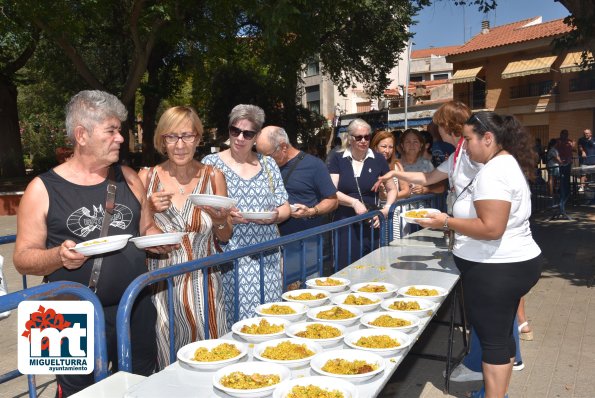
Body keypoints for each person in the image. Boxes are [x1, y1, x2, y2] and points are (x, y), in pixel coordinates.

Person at [13, 90, 173, 396]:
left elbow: (147, 228)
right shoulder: (42, 189)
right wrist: (58, 257)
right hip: (66, 314)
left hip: (133, 307)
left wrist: (159, 240)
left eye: (119, 130)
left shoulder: (128, 177)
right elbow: (22, 259)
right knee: (78, 394)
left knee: (138, 386)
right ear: (82, 135)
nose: (120, 138)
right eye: (111, 131)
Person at [374, 101, 527, 385]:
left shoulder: (479, 158)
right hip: (478, 246)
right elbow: (431, 176)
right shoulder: (461, 153)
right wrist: (396, 173)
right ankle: (496, 360)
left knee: (492, 318)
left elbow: (490, 220)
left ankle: (494, 363)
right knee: (492, 317)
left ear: (449, 126)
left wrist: (446, 221)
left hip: (490, 252)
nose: (435, 129)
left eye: (438, 124)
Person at [418, 112, 543, 398]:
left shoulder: (493, 172)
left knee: (494, 342)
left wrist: (444, 221)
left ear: (488, 138)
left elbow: (491, 228)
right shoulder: (505, 162)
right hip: (511, 264)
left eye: (468, 138)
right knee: (500, 336)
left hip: (496, 269)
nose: (465, 144)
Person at [138, 106, 233, 369]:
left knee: (212, 359)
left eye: (187, 136)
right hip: (164, 287)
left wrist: (218, 219)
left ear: (198, 138)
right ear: (162, 141)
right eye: (172, 137)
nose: (180, 145)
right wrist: (148, 208)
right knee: (170, 362)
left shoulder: (213, 177)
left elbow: (225, 236)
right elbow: (137, 233)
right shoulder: (146, 177)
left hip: (206, 283)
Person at [202, 105, 290, 327]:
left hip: (266, 256)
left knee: (269, 321)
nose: (240, 138)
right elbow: (201, 209)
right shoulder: (210, 164)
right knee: (234, 322)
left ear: (256, 137)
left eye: (247, 133)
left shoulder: (268, 164)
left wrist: (274, 216)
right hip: (229, 256)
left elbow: (285, 207)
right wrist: (225, 217)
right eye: (235, 131)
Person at [256, 126, 338, 281]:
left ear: (283, 147)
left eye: (267, 155)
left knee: (307, 295)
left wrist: (311, 211)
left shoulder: (314, 165)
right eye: (259, 155)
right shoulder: (262, 168)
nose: (263, 160)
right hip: (273, 246)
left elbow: (332, 201)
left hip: (307, 247)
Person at [327, 118, 397, 270]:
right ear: (350, 138)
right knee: (346, 267)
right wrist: (354, 202)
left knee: (372, 266)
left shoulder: (378, 159)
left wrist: (385, 210)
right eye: (359, 137)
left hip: (371, 220)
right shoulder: (337, 158)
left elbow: (392, 189)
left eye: (367, 137)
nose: (363, 140)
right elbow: (332, 191)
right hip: (345, 220)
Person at [370, 131, 410, 239]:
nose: (387, 150)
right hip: (375, 213)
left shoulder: (396, 166)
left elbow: (406, 191)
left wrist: (389, 197)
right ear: (375, 146)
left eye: (390, 147)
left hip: (393, 212)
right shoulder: (368, 165)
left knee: (394, 244)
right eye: (383, 146)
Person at [398, 128, 445, 196]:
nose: (412, 145)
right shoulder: (396, 165)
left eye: (415, 141)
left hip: (422, 205)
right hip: (399, 205)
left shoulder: (427, 164)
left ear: (421, 145)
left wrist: (426, 189)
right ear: (402, 145)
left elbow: (441, 187)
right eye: (408, 142)